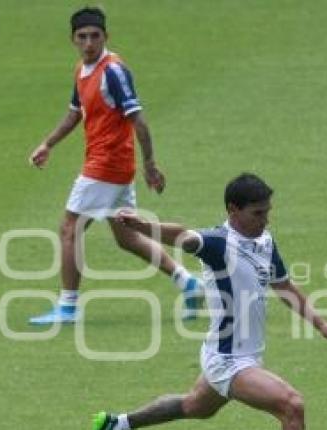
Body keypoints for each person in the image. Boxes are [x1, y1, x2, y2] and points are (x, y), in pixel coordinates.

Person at [84, 173, 327, 430]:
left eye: (267, 212)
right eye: (257, 213)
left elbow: (283, 285)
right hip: (228, 360)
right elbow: (184, 235)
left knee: (195, 407)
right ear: (233, 210)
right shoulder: (218, 244)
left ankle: (118, 424)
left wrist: (322, 324)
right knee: (291, 405)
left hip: (241, 355)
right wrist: (141, 225)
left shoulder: (264, 240)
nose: (265, 220)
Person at [28, 7, 202, 325]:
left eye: (95, 36)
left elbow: (139, 120)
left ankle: (68, 307)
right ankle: (189, 283)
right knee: (127, 236)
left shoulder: (114, 71)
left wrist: (150, 164)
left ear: (106, 37)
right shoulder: (82, 69)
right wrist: (47, 144)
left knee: (69, 229)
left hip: (107, 165)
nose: (89, 43)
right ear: (73, 40)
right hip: (109, 165)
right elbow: (74, 113)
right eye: (82, 37)